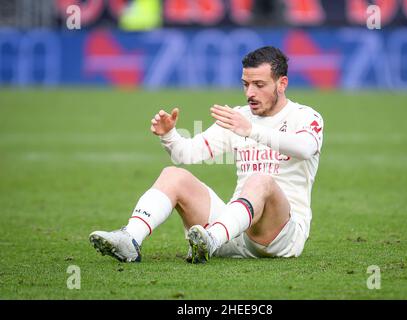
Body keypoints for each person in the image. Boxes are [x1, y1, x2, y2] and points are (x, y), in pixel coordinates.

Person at [89, 46, 324, 263]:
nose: (250, 93)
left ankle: (211, 238)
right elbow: (187, 154)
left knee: (261, 180)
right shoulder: (237, 117)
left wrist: (252, 130)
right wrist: (169, 135)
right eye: (245, 84)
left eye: (259, 85)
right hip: (234, 231)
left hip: (281, 236)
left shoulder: (305, 117)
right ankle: (130, 239)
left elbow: (305, 148)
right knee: (173, 175)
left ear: (282, 84)